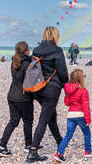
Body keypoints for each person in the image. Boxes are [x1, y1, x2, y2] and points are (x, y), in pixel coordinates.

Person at [27, 27, 69, 162]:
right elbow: (62, 72)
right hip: (52, 88)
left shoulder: (36, 50)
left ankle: (59, 141)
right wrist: (66, 87)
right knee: (44, 118)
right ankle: (33, 152)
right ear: (55, 35)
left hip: (37, 88)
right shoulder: (57, 51)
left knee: (51, 114)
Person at [0, 42, 35, 157]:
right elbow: (29, 80)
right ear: (26, 50)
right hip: (23, 97)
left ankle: (2, 146)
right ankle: (28, 145)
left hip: (12, 95)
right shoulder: (27, 63)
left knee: (13, 121)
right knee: (27, 121)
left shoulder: (14, 61)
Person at [53, 69, 92, 162]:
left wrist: (68, 97)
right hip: (80, 115)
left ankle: (59, 153)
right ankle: (87, 151)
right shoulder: (83, 90)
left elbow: (67, 103)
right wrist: (88, 119)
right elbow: (85, 106)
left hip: (70, 115)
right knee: (86, 133)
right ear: (81, 79)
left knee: (68, 135)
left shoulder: (68, 90)